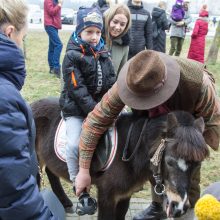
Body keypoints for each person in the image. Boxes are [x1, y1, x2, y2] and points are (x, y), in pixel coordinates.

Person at [75, 50, 220, 219]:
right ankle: (158, 207)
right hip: (154, 127)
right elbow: (94, 122)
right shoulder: (132, 80)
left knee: (185, 170)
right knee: (154, 160)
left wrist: (192, 146)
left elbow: (213, 124)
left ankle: (184, 211)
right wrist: (83, 170)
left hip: (189, 125)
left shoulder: (198, 83)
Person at [0, 0, 64, 219]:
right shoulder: (5, 100)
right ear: (10, 33)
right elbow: (13, 189)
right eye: (23, 37)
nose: (21, 42)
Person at [59, 5, 116, 197]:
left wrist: (114, 102)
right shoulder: (72, 56)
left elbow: (111, 80)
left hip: (98, 108)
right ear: (79, 31)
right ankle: (77, 183)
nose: (94, 36)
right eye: (89, 31)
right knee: (75, 144)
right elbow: (77, 90)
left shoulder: (103, 53)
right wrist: (97, 112)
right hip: (76, 109)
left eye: (98, 32)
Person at [103, 4, 131, 75]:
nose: (117, 27)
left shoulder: (124, 45)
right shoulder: (95, 39)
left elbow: (121, 74)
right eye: (115, 22)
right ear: (108, 19)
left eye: (122, 24)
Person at [44, 0, 63, 78]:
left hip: (54, 25)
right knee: (59, 45)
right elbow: (51, 12)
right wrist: (59, 5)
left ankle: (52, 68)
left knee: (52, 46)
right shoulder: (48, 0)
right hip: (50, 25)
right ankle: (56, 68)